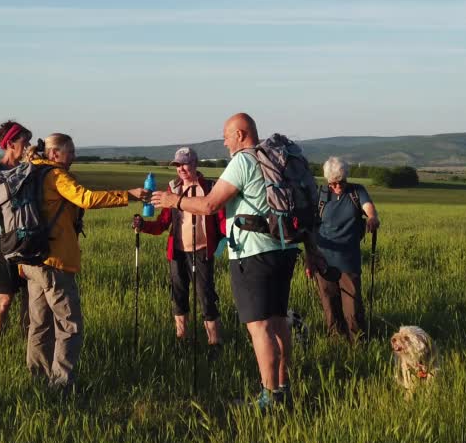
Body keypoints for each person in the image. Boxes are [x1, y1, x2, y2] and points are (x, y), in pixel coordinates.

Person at [151, 113, 299, 410]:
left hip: (252, 252)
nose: (224, 141)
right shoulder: (275, 160)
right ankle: (283, 388)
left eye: (226, 135)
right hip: (283, 248)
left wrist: (173, 201)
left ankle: (269, 398)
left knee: (259, 327)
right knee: (279, 321)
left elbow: (209, 204)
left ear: (241, 134)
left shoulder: (244, 161)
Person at [16, 133, 152, 391]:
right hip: (54, 262)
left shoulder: (30, 173)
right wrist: (129, 194)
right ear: (55, 154)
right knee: (69, 326)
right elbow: (85, 198)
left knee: (39, 324)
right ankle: (61, 387)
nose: (74, 156)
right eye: (71, 151)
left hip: (30, 260)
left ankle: (37, 380)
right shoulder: (55, 176)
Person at [133, 147, 226, 346]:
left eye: (184, 164)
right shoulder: (173, 189)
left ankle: (214, 344)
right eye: (177, 165)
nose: (181, 169)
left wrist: (232, 239)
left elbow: (222, 222)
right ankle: (181, 341)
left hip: (202, 251)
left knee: (206, 297)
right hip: (177, 253)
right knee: (179, 297)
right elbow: (162, 223)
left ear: (195, 163)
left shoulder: (210, 188)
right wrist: (143, 226)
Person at [311, 156, 380, 341]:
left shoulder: (357, 192)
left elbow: (369, 209)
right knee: (330, 306)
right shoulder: (321, 195)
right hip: (323, 261)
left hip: (349, 261)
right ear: (327, 181)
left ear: (346, 178)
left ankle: (358, 344)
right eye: (333, 183)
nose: (337, 187)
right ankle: (336, 343)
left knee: (353, 308)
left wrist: (372, 218)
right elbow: (310, 225)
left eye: (340, 182)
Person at [0, 120, 32, 339]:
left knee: (30, 296)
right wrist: (11, 206)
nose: (28, 146)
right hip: (2, 240)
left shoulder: (26, 170)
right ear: (10, 143)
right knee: (5, 299)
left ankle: (27, 341)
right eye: (25, 142)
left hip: (27, 240)